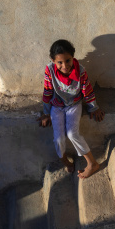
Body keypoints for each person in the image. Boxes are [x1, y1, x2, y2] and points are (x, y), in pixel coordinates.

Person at [38, 39, 105, 179]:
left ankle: (92, 163)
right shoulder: (49, 70)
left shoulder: (80, 71)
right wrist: (46, 113)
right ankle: (65, 161)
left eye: (68, 61)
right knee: (58, 138)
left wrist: (93, 108)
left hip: (74, 105)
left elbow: (87, 90)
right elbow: (48, 91)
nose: (64, 66)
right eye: (59, 62)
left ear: (73, 57)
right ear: (53, 61)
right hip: (56, 107)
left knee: (72, 134)